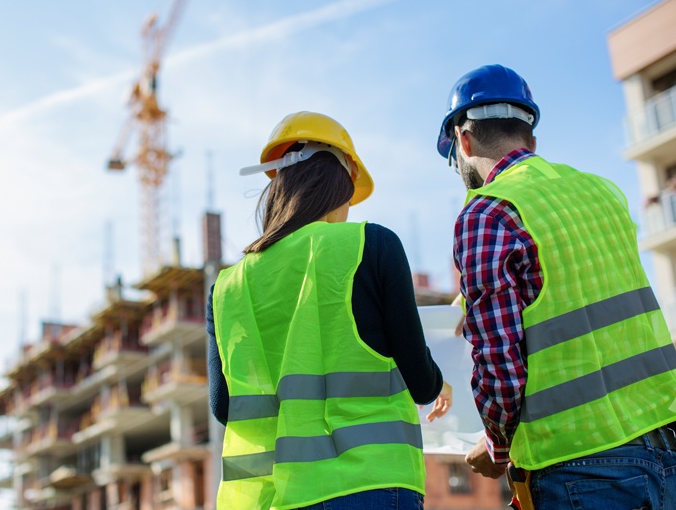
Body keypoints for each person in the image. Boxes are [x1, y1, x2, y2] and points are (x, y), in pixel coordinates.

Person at [437, 64, 676, 509]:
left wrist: (496, 448)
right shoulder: (602, 192)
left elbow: (501, 366)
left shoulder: (487, 213)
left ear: (463, 142)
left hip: (580, 464)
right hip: (665, 445)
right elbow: (577, 293)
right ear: (531, 138)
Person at [207, 111, 452, 510]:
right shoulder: (371, 245)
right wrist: (440, 383)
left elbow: (225, 408)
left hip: (272, 497)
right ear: (340, 184)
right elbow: (421, 381)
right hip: (370, 484)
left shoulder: (226, 287)